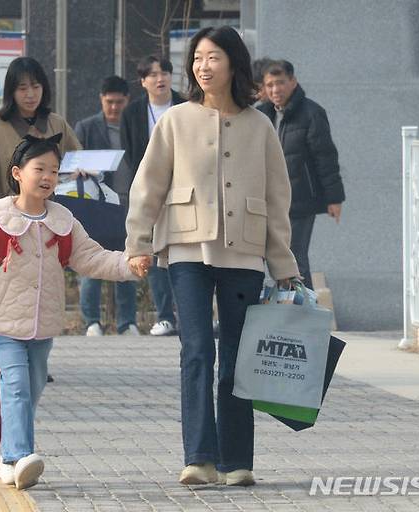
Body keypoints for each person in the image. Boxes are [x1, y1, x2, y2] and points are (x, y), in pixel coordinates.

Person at [125, 26, 300, 486]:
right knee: (198, 350)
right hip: (186, 249)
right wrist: (138, 243)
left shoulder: (260, 125)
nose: (203, 66)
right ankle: (199, 457)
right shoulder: (176, 121)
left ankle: (236, 460)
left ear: (234, 64)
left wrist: (284, 266)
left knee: (239, 357)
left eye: (214, 57)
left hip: (244, 252)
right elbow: (148, 185)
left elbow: (278, 199)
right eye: (198, 58)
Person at [0, 135, 137, 490]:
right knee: (18, 386)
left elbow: (92, 257)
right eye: (40, 169)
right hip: (4, 324)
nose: (48, 176)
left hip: (43, 327)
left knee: (31, 388)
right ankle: (19, 456)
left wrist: (129, 264)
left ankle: (8, 456)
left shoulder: (63, 220)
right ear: (18, 173)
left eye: (54, 170)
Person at [258, 60, 345, 289]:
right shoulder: (259, 115)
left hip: (300, 199)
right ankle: (280, 312)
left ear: (293, 82)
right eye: (270, 85)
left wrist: (334, 198)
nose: (275, 90)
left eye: (280, 83)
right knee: (263, 258)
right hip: (265, 200)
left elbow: (325, 157)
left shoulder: (312, 113)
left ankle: (304, 315)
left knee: (294, 257)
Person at [0, 56, 82, 226]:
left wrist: (81, 171)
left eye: (36, 87)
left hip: (54, 217)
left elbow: (78, 159)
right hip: (9, 218)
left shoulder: (57, 123)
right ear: (11, 91)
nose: (30, 95)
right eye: (22, 88)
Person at [120, 55, 185, 336]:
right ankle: (165, 315)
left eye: (165, 73)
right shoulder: (133, 113)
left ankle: (191, 314)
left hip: (184, 189)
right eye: (154, 74)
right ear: (143, 81)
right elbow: (132, 153)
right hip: (151, 191)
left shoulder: (186, 106)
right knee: (157, 253)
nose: (161, 79)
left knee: (186, 253)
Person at [74, 75, 139, 336]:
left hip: (130, 204)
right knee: (91, 261)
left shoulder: (135, 127)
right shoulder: (86, 127)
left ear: (127, 101)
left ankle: (127, 321)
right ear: (101, 99)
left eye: (119, 102)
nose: (114, 108)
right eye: (109, 102)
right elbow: (72, 162)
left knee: (128, 262)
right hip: (99, 205)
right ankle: (91, 321)